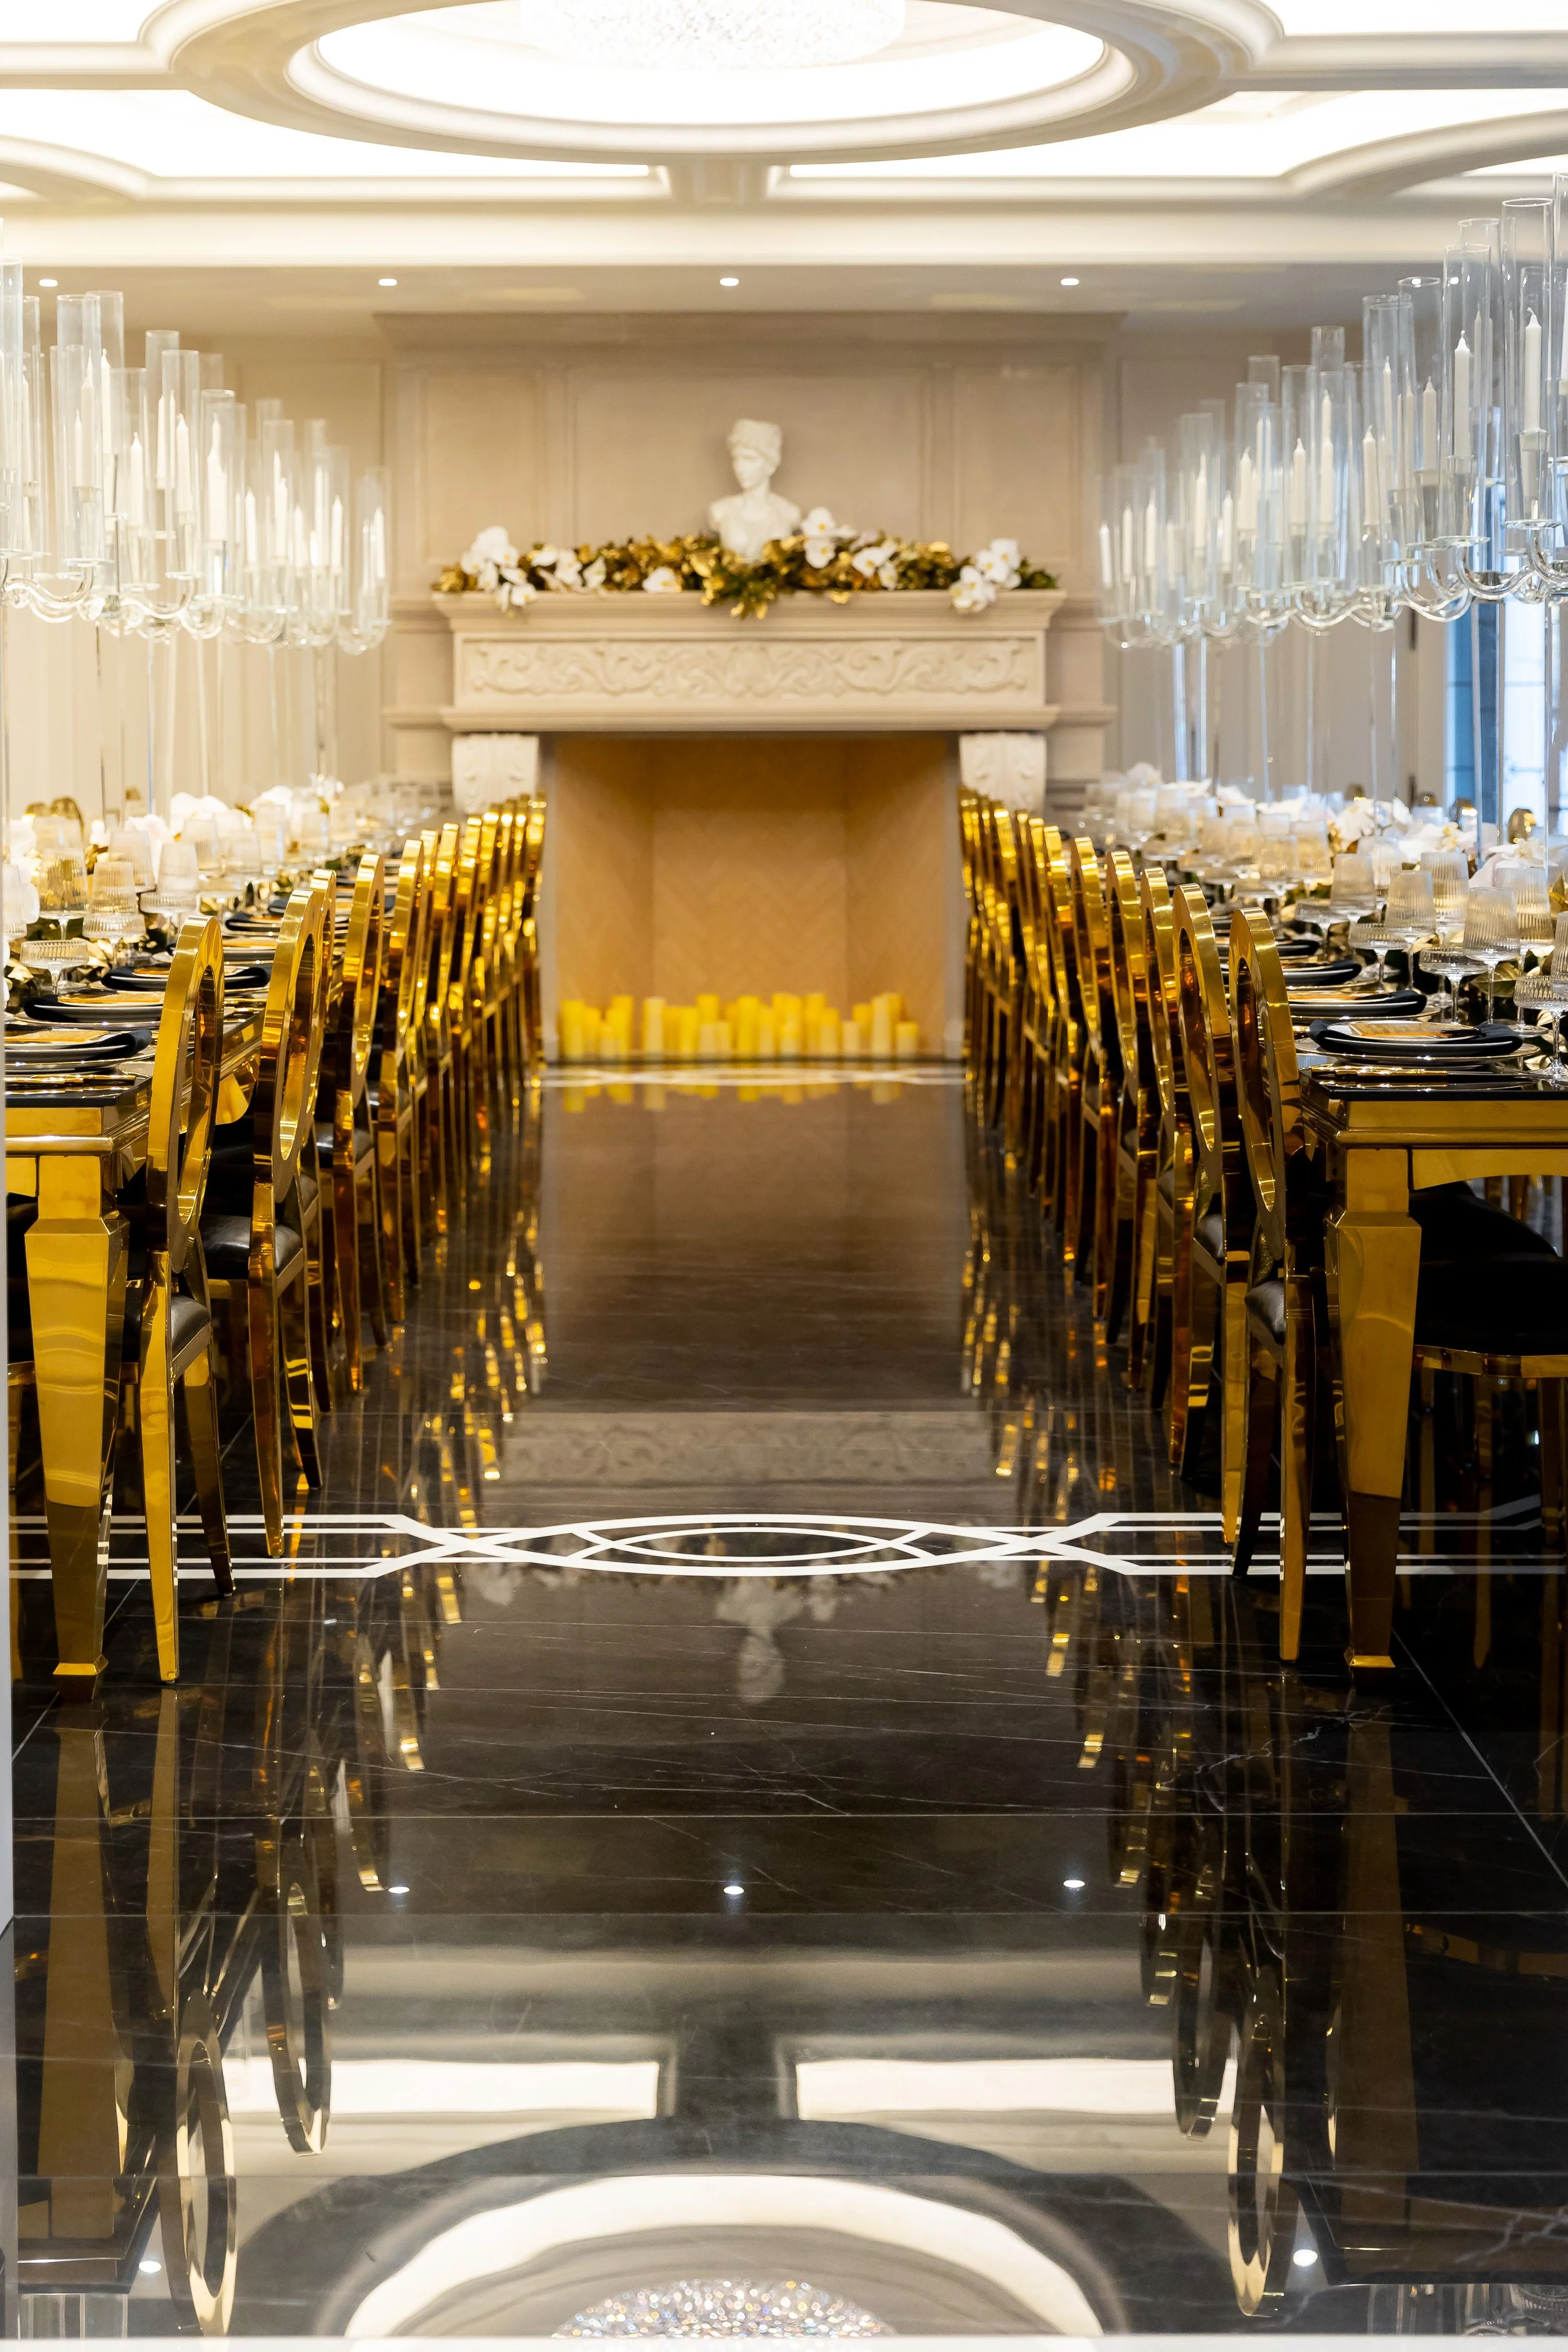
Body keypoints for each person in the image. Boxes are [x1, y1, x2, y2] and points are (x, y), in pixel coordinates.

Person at [707, 417, 801, 563]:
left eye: (749, 459)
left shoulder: (789, 512)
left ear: (771, 464)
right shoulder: (721, 510)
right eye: (736, 459)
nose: (740, 467)